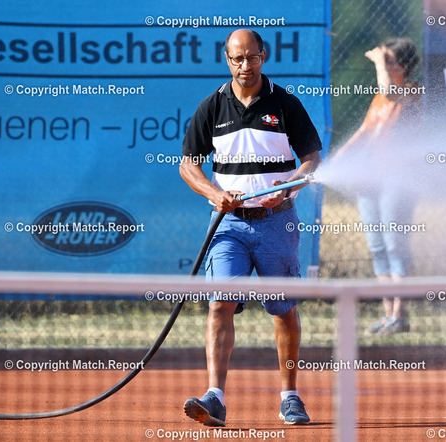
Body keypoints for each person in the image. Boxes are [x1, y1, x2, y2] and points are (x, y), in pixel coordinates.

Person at [179, 29, 322, 426]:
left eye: (252, 57)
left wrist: (288, 187)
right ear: (227, 59)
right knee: (220, 304)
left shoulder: (286, 103)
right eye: (237, 59)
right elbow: (188, 165)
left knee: (283, 310)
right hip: (227, 226)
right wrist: (214, 194)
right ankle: (215, 397)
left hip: (277, 223)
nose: (245, 66)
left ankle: (290, 397)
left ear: (264, 55)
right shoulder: (211, 106)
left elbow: (312, 159)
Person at [334, 37, 421, 334]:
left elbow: (389, 90)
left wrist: (378, 61)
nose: (385, 65)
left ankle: (400, 315)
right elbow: (364, 131)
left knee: (395, 244)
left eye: (390, 61)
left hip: (398, 179)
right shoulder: (379, 99)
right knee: (378, 246)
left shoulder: (412, 92)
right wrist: (337, 159)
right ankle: (388, 315)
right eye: (386, 61)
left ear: (403, 67)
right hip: (371, 179)